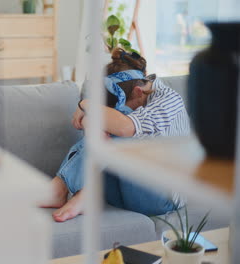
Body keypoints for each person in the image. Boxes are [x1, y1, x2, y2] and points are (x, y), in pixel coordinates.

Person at [41, 48, 190, 222]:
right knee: (109, 124)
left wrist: (86, 104)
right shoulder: (124, 94)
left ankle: (71, 193)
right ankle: (72, 191)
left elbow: (125, 128)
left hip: (163, 197)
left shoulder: (169, 101)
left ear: (138, 92)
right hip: (123, 188)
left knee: (120, 126)